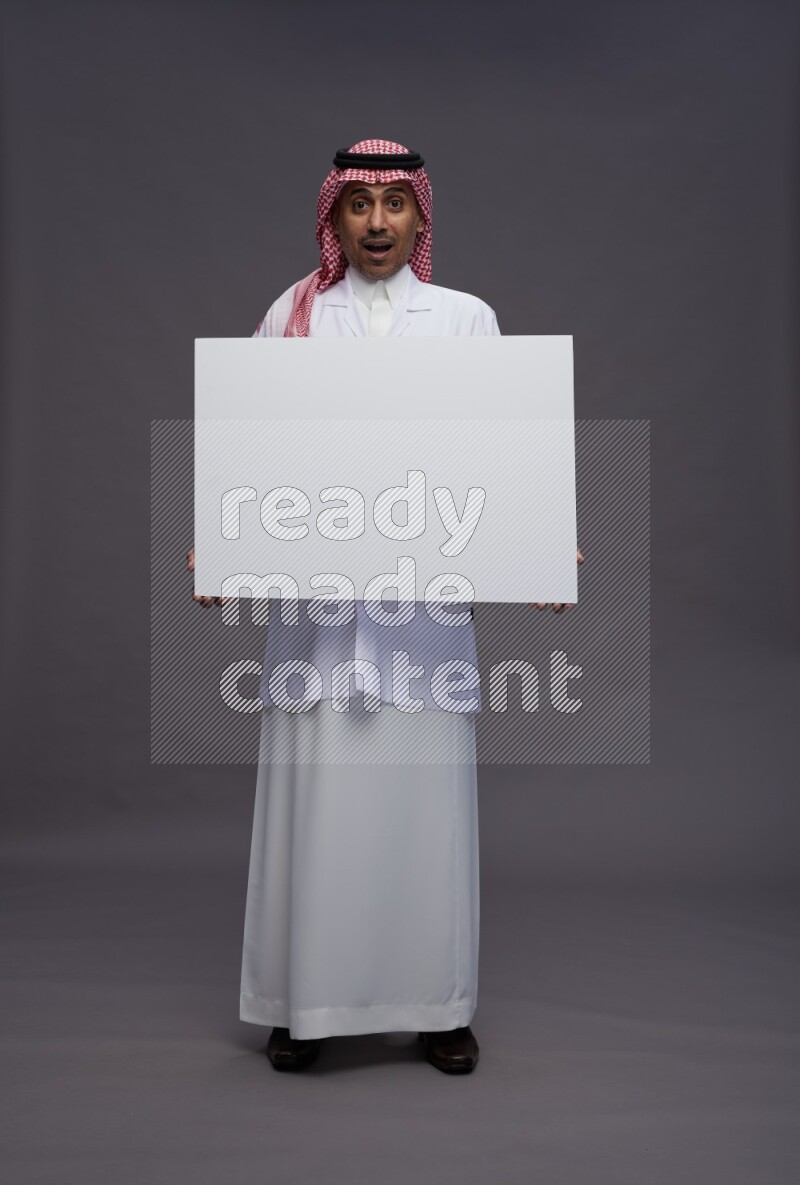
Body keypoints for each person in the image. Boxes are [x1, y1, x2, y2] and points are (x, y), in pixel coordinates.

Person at [187, 139, 581, 1074]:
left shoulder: (465, 321)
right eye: (358, 205)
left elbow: (501, 450)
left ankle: (439, 1007)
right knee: (315, 807)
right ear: (334, 216)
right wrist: (220, 535)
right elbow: (250, 445)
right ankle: (302, 1005)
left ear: (420, 217)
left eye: (395, 205)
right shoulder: (294, 315)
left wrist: (540, 539)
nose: (376, 224)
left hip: (420, 616)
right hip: (320, 617)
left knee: (423, 813)